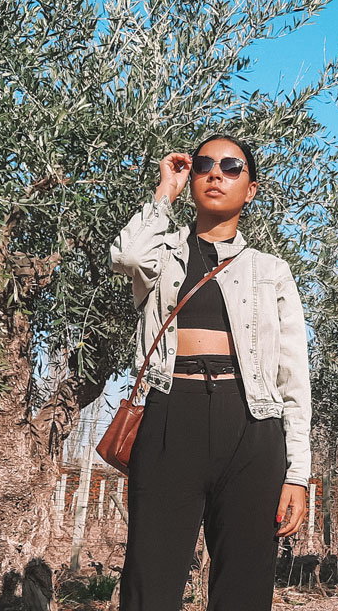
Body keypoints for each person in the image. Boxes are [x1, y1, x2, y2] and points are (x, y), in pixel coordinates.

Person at [109, 134, 311, 610]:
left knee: (244, 586)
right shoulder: (164, 255)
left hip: (251, 426)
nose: (215, 173)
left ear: (252, 189)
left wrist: (298, 474)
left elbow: (293, 378)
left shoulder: (271, 271)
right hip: (168, 416)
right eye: (203, 165)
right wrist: (165, 192)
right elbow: (127, 256)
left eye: (231, 167)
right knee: (148, 581)